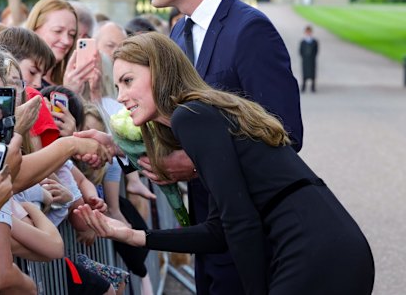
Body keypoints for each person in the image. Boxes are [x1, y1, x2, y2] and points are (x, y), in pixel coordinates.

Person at [76, 32, 375, 295]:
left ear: (160, 71)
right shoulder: (198, 115)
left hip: (316, 251)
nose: (122, 97)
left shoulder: (190, 116)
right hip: (330, 244)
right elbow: (219, 231)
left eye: (128, 81)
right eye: (117, 87)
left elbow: (239, 221)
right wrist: (133, 236)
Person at [138, 0, 303, 295]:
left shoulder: (250, 30)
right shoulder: (178, 34)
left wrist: (196, 164)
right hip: (209, 232)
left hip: (251, 234)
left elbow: (287, 134)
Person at [299, 25, 319, 93]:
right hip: (305, 59)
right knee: (304, 72)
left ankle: (313, 86)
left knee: (312, 72)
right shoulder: (303, 42)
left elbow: (316, 51)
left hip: (312, 59)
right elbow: (300, 51)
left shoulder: (314, 42)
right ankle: (304, 86)